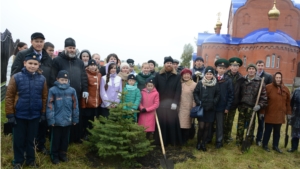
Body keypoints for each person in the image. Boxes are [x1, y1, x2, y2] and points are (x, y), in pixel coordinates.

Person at [11, 32, 53, 154]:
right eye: (36, 41)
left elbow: (51, 75)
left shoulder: (47, 57)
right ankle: (24, 148)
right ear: (31, 42)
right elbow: (15, 73)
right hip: (25, 94)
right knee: (25, 124)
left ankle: (40, 144)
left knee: (41, 121)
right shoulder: (23, 54)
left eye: (41, 41)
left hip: (42, 94)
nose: (39, 44)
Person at [5, 53, 48, 168]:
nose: (32, 66)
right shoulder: (16, 77)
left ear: (38, 65)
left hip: (34, 115)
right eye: (30, 63)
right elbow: (9, 97)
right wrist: (10, 114)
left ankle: (30, 159)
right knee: (18, 140)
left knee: (31, 139)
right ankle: (18, 161)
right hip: (19, 115)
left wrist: (43, 113)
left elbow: (44, 97)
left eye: (35, 64)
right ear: (25, 63)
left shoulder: (42, 79)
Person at [51, 37, 88, 143]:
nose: (72, 50)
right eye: (70, 47)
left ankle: (76, 137)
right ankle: (64, 139)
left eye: (73, 48)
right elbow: (53, 76)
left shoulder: (79, 62)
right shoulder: (58, 60)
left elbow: (83, 77)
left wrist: (85, 89)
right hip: (61, 93)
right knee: (64, 115)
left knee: (76, 115)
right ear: (65, 48)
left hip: (76, 93)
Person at [46, 70, 79, 164]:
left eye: (66, 80)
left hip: (68, 120)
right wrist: (51, 119)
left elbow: (75, 105)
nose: (64, 82)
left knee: (65, 139)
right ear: (57, 79)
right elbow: (49, 106)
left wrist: (75, 118)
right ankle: (54, 155)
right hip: (56, 121)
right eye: (62, 79)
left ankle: (63, 154)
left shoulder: (72, 90)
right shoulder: (53, 90)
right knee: (55, 139)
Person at [236, 63, 267, 148]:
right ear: (247, 70)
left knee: (250, 125)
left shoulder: (260, 81)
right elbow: (238, 93)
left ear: (255, 71)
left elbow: (264, 97)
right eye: (249, 69)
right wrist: (238, 104)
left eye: (253, 69)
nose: (251, 70)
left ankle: (248, 140)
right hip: (242, 106)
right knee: (240, 125)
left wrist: (260, 106)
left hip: (252, 107)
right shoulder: (242, 80)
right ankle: (238, 140)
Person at [153, 56, 182, 146]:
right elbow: (155, 89)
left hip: (171, 104)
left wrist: (175, 102)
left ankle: (172, 141)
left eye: (170, 63)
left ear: (172, 65)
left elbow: (178, 90)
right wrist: (155, 101)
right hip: (160, 104)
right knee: (162, 123)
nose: (169, 64)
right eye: (167, 63)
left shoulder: (177, 76)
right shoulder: (158, 75)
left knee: (171, 123)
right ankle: (161, 142)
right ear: (164, 64)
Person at [260, 72, 291, 153]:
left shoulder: (285, 89)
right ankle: (265, 144)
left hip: (280, 115)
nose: (278, 79)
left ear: (281, 78)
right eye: (276, 78)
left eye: (279, 78)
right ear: (274, 78)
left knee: (277, 132)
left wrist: (289, 113)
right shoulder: (268, 87)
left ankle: (275, 145)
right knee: (268, 130)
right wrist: (262, 112)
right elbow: (263, 100)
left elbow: (288, 103)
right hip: (270, 113)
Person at [193, 66, 220, 151]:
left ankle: (203, 144)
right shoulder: (201, 83)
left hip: (211, 109)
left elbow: (218, 94)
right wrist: (198, 101)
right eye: (207, 74)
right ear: (205, 74)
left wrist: (214, 102)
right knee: (201, 127)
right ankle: (198, 143)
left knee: (207, 128)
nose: (209, 75)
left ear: (213, 75)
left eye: (210, 74)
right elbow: (195, 93)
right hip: (202, 108)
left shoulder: (215, 83)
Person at [210, 59, 233, 149]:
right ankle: (209, 138)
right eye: (220, 68)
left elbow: (231, 95)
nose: (221, 70)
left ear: (225, 70)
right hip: (212, 105)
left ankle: (219, 141)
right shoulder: (212, 78)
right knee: (210, 123)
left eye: (223, 68)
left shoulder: (228, 80)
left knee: (220, 125)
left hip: (221, 106)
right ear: (216, 68)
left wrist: (227, 107)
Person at [223, 57, 244, 143]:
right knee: (222, 120)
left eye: (236, 66)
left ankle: (227, 136)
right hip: (224, 102)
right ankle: (221, 135)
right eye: (233, 66)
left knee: (230, 121)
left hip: (234, 103)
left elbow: (241, 91)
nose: (235, 68)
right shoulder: (225, 75)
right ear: (230, 67)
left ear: (238, 67)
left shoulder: (241, 78)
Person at [81, 59, 102, 140]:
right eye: (91, 65)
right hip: (88, 101)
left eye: (94, 65)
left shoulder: (99, 75)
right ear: (88, 66)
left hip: (96, 101)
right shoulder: (85, 74)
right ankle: (85, 134)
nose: (93, 67)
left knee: (93, 119)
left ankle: (91, 134)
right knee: (86, 119)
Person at [255, 60, 273, 146]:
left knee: (261, 123)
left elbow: (270, 91)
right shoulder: (253, 74)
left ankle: (259, 139)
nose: (260, 67)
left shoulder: (268, 76)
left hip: (262, 104)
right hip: (252, 102)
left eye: (262, 65)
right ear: (256, 66)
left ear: (264, 66)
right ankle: (250, 136)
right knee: (250, 121)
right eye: (259, 65)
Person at [178, 68, 197, 144]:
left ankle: (185, 139)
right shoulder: (180, 84)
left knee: (187, 123)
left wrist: (194, 106)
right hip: (180, 106)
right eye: (184, 75)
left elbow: (195, 97)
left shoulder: (194, 84)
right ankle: (180, 138)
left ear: (190, 75)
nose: (186, 76)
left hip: (189, 106)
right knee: (180, 123)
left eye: (188, 74)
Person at [288, 86, 300, 152]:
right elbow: (291, 103)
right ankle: (294, 147)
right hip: (296, 115)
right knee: (295, 132)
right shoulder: (297, 90)